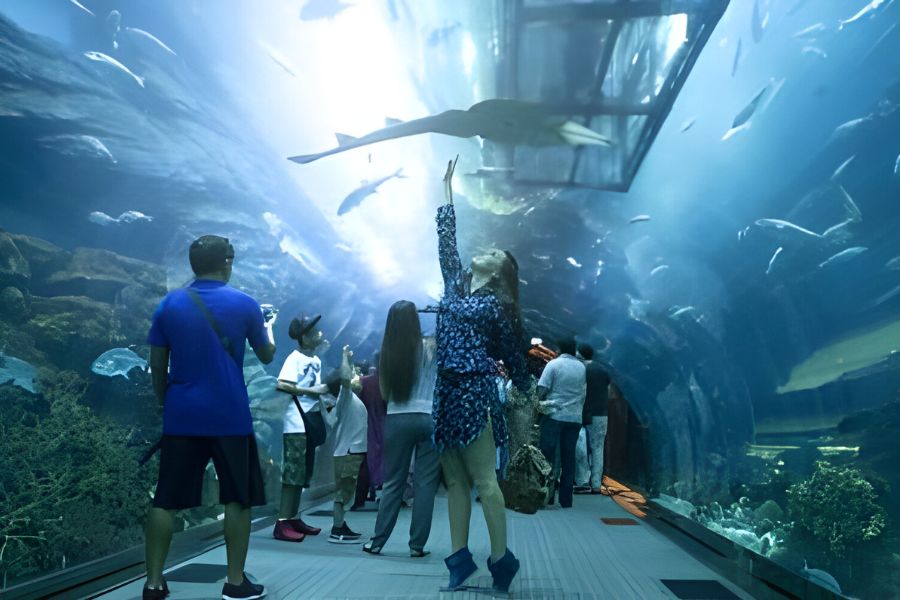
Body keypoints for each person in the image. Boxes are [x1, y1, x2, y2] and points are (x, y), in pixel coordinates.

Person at [144, 235, 274, 600]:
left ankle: (153, 583)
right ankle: (234, 582)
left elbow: (157, 366)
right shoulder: (245, 304)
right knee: (237, 498)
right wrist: (271, 330)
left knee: (165, 498)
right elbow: (266, 355)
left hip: (182, 414)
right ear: (228, 261)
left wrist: (164, 403)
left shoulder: (169, 305)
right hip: (229, 415)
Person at [433, 159, 530, 593]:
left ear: (499, 272)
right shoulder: (455, 283)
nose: (484, 250)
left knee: (485, 482)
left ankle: (501, 559)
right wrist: (445, 189)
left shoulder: (494, 306)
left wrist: (525, 388)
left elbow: (513, 352)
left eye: (493, 253)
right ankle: (458, 561)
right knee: (453, 480)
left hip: (474, 389)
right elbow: (446, 242)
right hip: (445, 391)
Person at [362, 301, 440, 558]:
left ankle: (378, 542)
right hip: (428, 417)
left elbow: (384, 393)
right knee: (425, 484)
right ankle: (416, 546)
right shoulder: (432, 347)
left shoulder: (388, 352)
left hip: (397, 418)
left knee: (393, 481)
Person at [272, 314, 330, 542]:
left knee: (303, 474)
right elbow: (282, 384)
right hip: (296, 422)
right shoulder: (294, 358)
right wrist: (313, 392)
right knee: (293, 474)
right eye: (315, 331)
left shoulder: (315, 360)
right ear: (304, 336)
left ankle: (294, 517)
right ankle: (282, 522)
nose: (320, 334)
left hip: (310, 421)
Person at [319, 346, 367, 543]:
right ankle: (337, 529)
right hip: (350, 451)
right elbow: (346, 379)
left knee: (346, 490)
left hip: (348, 451)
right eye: (355, 375)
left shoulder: (343, 401)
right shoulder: (345, 398)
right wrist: (344, 357)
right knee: (344, 492)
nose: (357, 378)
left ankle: (340, 525)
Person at [537, 336, 586, 509]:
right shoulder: (582, 367)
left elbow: (542, 388)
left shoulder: (554, 365)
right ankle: (566, 500)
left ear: (559, 349)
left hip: (554, 416)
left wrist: (539, 402)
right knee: (568, 459)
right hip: (574, 418)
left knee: (547, 457)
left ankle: (547, 496)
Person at [578, 341, 612, 493]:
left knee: (580, 448)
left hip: (581, 412)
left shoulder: (579, 369)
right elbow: (609, 389)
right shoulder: (604, 369)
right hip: (601, 414)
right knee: (598, 448)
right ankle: (597, 484)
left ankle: (582, 480)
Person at [354, 354, 386, 508]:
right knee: (383, 460)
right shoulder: (388, 383)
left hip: (366, 426)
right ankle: (381, 496)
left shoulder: (363, 382)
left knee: (365, 463)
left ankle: (359, 499)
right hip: (384, 425)